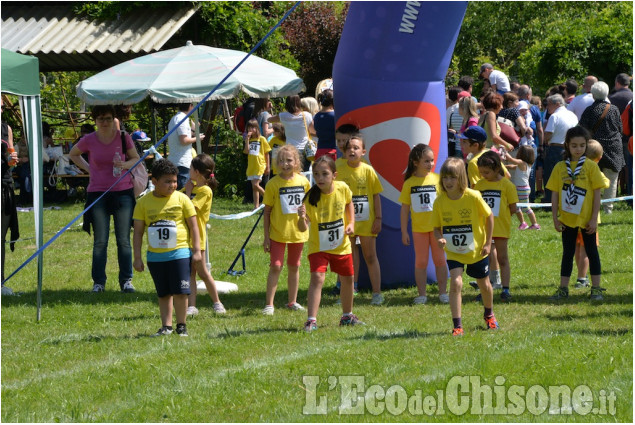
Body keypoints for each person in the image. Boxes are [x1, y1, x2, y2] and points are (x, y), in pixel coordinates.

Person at [70, 105, 139, 293]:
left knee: (123, 239)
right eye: (100, 119)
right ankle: (98, 282)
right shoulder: (89, 139)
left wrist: (124, 164)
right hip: (98, 192)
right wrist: (89, 169)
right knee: (100, 240)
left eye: (108, 118)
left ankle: (126, 280)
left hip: (123, 192)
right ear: (95, 120)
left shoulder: (123, 137)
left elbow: (136, 158)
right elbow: (73, 154)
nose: (105, 122)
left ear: (113, 118)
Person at [133, 159, 201, 336]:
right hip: (156, 257)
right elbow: (138, 232)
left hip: (180, 253)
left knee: (180, 291)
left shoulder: (182, 199)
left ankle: (181, 325)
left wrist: (196, 250)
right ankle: (166, 326)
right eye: (167, 181)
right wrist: (137, 257)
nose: (172, 185)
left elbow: (194, 226)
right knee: (163, 293)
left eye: (175, 181)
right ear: (154, 181)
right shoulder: (143, 203)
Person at [432, 157, 497, 336]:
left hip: (477, 250)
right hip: (454, 251)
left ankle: (489, 314)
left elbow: (489, 216)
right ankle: (457, 325)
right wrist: (439, 239)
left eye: (452, 177)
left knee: (484, 284)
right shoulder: (439, 201)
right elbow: (436, 228)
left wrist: (487, 242)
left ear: (461, 177)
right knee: (456, 283)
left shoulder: (473, 196)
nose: (448, 182)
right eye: (445, 178)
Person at [297, 155, 361, 332]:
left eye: (324, 174)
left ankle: (347, 316)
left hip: (341, 245)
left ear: (334, 175)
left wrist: (351, 223)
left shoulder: (343, 188)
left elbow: (349, 204)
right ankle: (311, 320)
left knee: (348, 279)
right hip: (319, 247)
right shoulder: (310, 198)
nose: (319, 178)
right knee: (317, 278)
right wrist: (301, 218)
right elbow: (302, 228)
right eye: (316, 174)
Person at [546, 126, 605, 301]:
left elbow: (596, 194)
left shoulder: (591, 167)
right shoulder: (559, 167)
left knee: (592, 252)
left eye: (581, 145)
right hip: (567, 219)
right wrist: (555, 218)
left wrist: (594, 218)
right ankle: (563, 288)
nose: (578, 149)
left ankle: (596, 288)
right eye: (574, 145)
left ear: (586, 145)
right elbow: (555, 193)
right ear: (567, 146)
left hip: (587, 219)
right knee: (567, 253)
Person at [336, 134, 384, 305]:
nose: (352, 151)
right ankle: (349, 291)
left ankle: (377, 293)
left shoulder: (368, 170)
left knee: (370, 256)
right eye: (349, 148)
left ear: (363, 152)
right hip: (345, 222)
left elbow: (376, 195)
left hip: (366, 222)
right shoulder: (338, 168)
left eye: (356, 148)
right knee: (347, 257)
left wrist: (378, 218)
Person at [262, 145, 310, 315]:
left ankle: (292, 301)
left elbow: (309, 207)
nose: (285, 164)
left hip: (298, 233)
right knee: (276, 266)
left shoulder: (304, 182)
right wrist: (266, 237)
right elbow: (266, 212)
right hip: (278, 233)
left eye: (289, 160)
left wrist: (305, 218)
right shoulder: (272, 184)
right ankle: (269, 304)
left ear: (296, 162)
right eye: (281, 161)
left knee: (294, 266)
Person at [399, 144, 448, 304]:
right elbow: (405, 209)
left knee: (440, 260)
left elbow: (444, 203)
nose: (430, 164)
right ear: (415, 162)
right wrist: (404, 232)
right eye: (426, 161)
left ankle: (443, 293)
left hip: (436, 230)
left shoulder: (437, 179)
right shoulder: (409, 183)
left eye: (432, 160)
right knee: (421, 262)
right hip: (418, 229)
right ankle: (422, 294)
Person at [183, 154, 226, 316]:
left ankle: (217, 303)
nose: (189, 171)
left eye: (190, 168)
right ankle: (192, 306)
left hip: (197, 238)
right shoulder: (191, 187)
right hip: (184, 238)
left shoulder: (205, 191)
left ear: (197, 172)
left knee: (202, 272)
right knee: (190, 274)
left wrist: (187, 192)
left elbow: (189, 209)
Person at [474, 151, 519, 301]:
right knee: (485, 260)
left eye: (486, 172)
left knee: (502, 258)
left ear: (496, 169)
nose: (483, 175)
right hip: (483, 230)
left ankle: (505, 289)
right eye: (481, 172)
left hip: (501, 229)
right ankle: (486, 288)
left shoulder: (507, 185)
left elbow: (513, 207)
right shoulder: (479, 185)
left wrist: (502, 219)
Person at [579, 81, 624, 214]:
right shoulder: (614, 109)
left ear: (593, 94)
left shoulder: (589, 110)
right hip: (613, 148)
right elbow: (620, 129)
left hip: (594, 148)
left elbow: (582, 130)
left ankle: (593, 207)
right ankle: (608, 209)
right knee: (611, 179)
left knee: (592, 178)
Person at [573, 139, 609, 289]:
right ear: (599, 158)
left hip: (574, 214)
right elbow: (605, 183)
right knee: (587, 249)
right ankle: (582, 278)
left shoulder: (576, 170)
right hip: (590, 217)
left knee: (576, 247)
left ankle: (581, 274)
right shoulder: (594, 171)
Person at [542, 94, 579, 206]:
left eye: (548, 104)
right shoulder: (572, 115)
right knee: (567, 176)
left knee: (550, 176)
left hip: (555, 148)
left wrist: (544, 138)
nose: (547, 107)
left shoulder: (554, 116)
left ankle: (549, 201)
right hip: (570, 149)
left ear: (556, 104)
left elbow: (548, 135)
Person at [268, 96, 314, 171]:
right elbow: (312, 131)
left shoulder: (283, 116)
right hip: (305, 149)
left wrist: (270, 110)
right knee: (304, 172)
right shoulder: (307, 115)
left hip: (291, 149)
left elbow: (269, 120)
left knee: (292, 173)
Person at [1, 103, 19, 296]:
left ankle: (0, 282)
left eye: (1, 106)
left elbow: (10, 158)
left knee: (1, 237)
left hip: (4, 185)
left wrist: (13, 159)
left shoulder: (6, 129)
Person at [167, 103, 205, 190]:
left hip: (175, 160)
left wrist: (192, 130)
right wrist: (198, 138)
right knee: (183, 193)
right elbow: (184, 141)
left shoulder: (175, 118)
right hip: (182, 162)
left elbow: (182, 138)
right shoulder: (182, 119)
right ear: (191, 106)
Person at [505, 145, 540, 230]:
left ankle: (535, 224)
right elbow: (512, 166)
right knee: (517, 206)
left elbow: (511, 160)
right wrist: (503, 167)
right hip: (522, 188)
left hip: (522, 188)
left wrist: (504, 151)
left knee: (526, 207)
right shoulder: (526, 164)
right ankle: (523, 223)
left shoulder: (521, 162)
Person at [243, 118, 271, 209]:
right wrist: (247, 140)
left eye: (253, 128)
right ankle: (256, 206)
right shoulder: (249, 140)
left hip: (260, 164)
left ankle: (270, 199)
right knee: (254, 187)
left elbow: (267, 153)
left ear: (257, 128)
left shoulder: (261, 139)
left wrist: (267, 166)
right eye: (249, 128)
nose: (251, 130)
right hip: (251, 166)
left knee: (256, 184)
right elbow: (246, 151)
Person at [310, 89, 337, 161]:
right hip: (333, 151)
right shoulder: (335, 115)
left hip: (320, 151)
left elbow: (313, 131)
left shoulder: (316, 116)